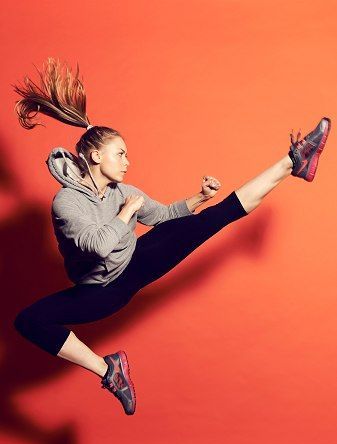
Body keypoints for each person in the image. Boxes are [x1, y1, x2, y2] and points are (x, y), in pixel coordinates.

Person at [12, 57, 331, 416]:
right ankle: (109, 370)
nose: (128, 161)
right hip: (99, 292)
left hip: (136, 264)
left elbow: (161, 215)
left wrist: (198, 198)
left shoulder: (123, 190)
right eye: (121, 154)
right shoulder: (66, 202)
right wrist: (124, 214)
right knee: (28, 321)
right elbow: (98, 245)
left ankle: (293, 162)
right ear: (96, 156)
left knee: (214, 217)